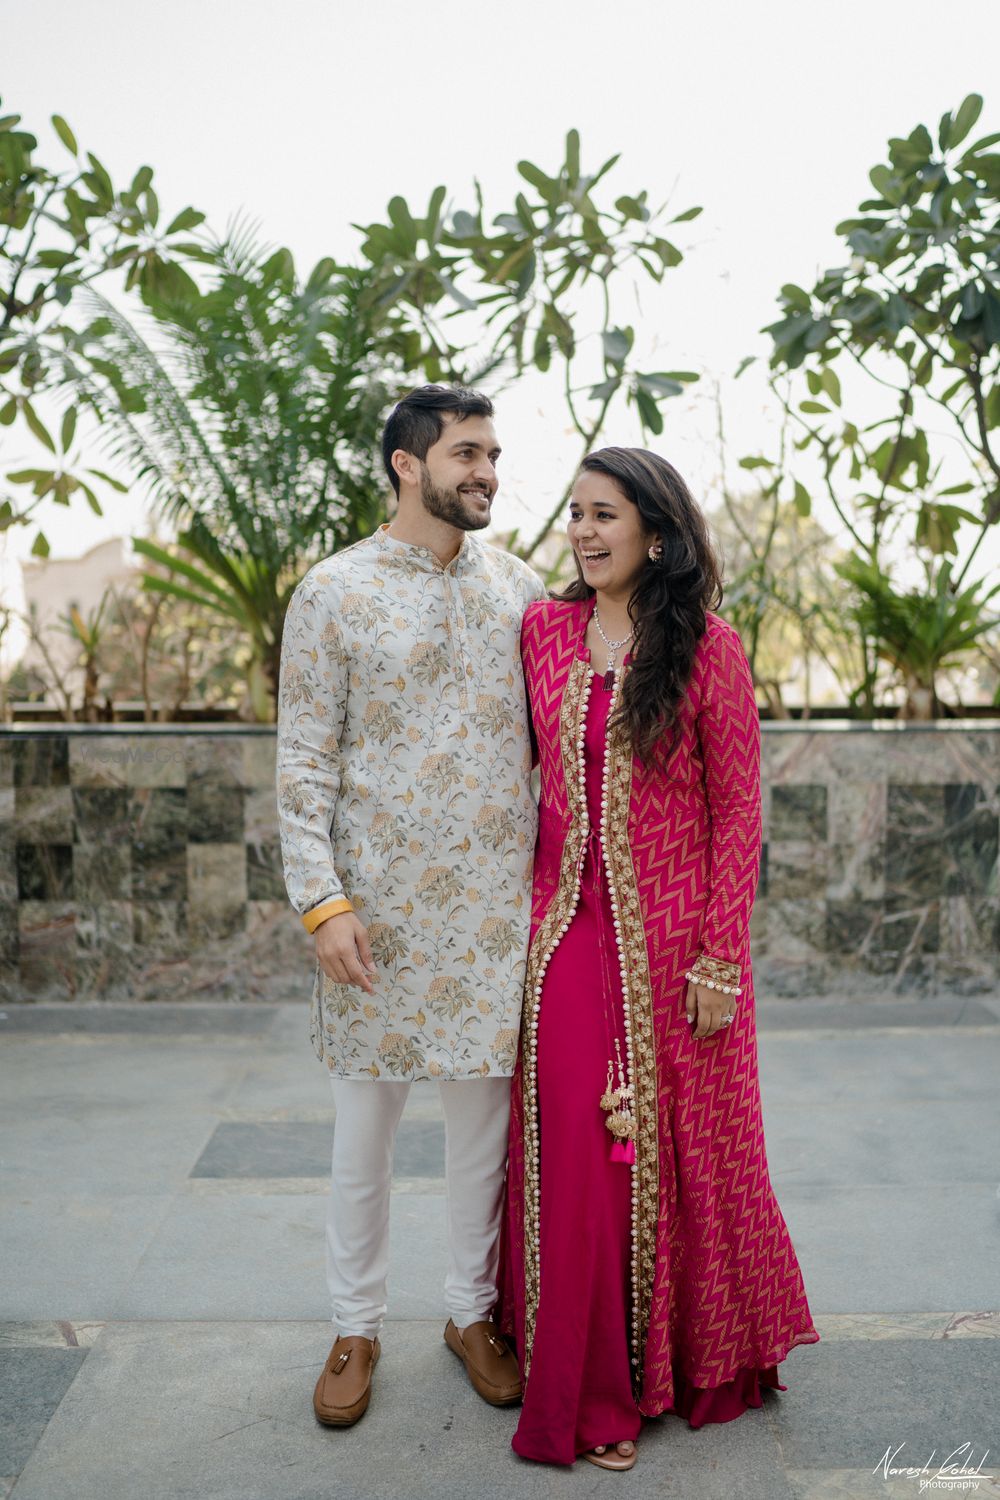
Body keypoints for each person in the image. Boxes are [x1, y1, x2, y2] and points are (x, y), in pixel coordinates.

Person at [495, 446, 819, 1470]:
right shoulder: (543, 630)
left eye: (604, 516)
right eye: (575, 515)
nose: (585, 533)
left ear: (655, 532)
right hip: (565, 933)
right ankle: (587, 1388)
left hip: (679, 943)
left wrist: (720, 954)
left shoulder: (709, 648)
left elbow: (739, 813)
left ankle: (675, 1359)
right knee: (578, 1159)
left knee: (687, 1151)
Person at [276, 384, 545, 1428]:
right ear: (407, 463)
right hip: (373, 921)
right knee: (364, 1138)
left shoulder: (520, 591)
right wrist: (322, 901)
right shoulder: (332, 594)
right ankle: (354, 1325)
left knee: (481, 1134)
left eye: (490, 454)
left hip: (490, 918)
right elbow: (303, 763)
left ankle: (470, 1314)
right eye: (466, 454)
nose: (485, 473)